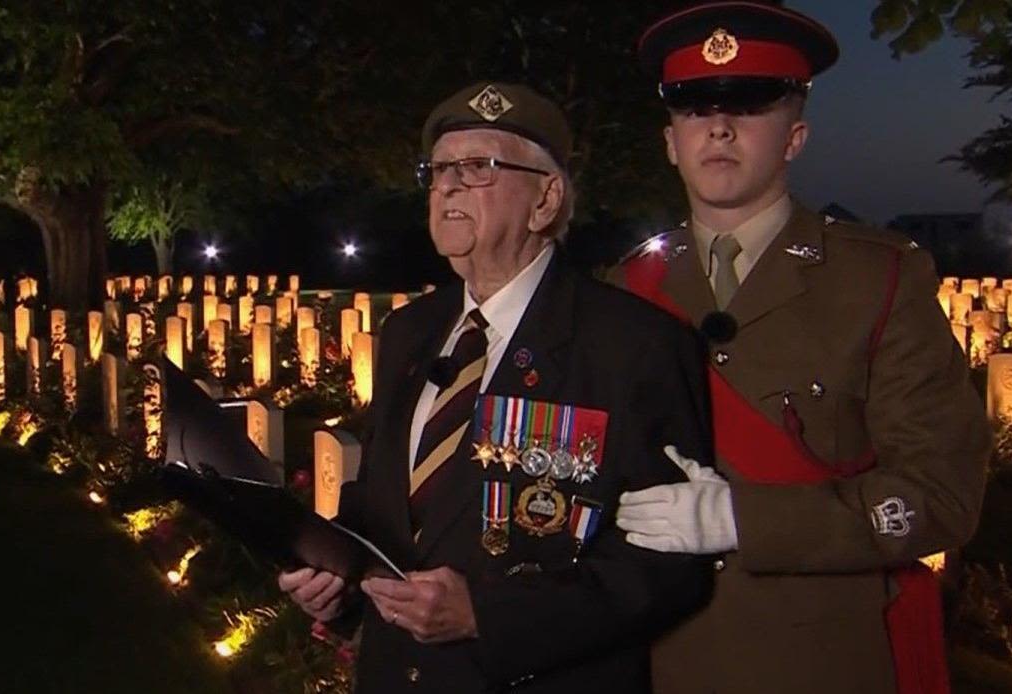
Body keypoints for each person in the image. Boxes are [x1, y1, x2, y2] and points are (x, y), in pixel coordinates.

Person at [279, 81, 713, 693]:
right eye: (439, 169)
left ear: (546, 199)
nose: (448, 184)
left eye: (479, 166)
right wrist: (334, 578)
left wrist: (489, 617)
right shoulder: (408, 332)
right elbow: (387, 508)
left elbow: (668, 564)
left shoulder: (634, 345)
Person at [609, 3, 991, 693]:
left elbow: (941, 493)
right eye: (695, 107)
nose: (719, 126)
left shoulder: (879, 278)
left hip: (815, 661)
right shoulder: (627, 287)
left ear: (795, 137)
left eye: (750, 104)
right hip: (651, 656)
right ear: (670, 139)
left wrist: (745, 520)